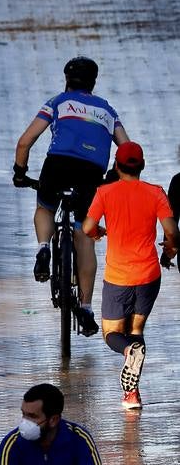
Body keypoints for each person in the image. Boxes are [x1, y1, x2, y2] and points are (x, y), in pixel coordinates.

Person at [13, 56, 130, 337]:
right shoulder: (107, 110)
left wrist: (20, 172)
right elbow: (127, 147)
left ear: (67, 80)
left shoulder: (57, 102)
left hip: (58, 164)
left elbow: (25, 141)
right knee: (84, 234)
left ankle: (43, 247)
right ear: (93, 82)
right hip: (91, 173)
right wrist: (114, 175)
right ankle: (87, 308)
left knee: (45, 208)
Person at [83, 142, 179, 409]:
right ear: (143, 166)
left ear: (116, 166)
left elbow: (88, 226)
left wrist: (97, 233)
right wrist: (169, 252)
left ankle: (127, 352)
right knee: (136, 329)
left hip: (118, 277)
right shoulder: (156, 193)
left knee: (112, 333)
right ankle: (131, 395)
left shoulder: (105, 192)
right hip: (149, 275)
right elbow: (172, 231)